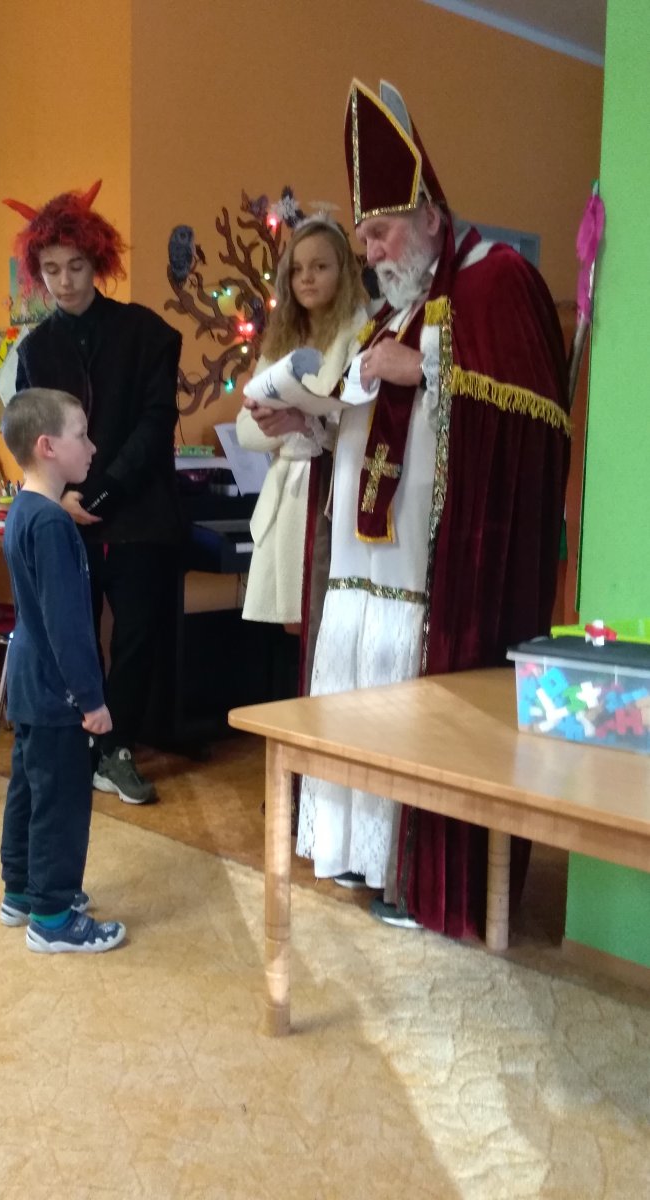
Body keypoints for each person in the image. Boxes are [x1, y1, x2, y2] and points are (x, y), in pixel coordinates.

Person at [297, 79, 570, 937]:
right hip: (362, 572)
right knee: (355, 695)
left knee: (409, 705)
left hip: (430, 584)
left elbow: (530, 422)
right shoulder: (393, 309)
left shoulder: (497, 282)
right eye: (364, 234)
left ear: (425, 214)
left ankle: (416, 877)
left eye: (379, 230)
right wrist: (309, 420)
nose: (369, 249)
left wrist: (426, 369)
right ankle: (356, 853)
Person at [6, 181, 182, 805]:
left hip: (138, 516)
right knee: (72, 632)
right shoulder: (34, 349)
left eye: (76, 266)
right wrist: (59, 499)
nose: (64, 281)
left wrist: (100, 495)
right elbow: (29, 435)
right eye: (51, 269)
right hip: (63, 516)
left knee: (135, 635)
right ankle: (82, 738)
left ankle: (117, 747)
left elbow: (154, 426)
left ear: (97, 262)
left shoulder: (147, 334)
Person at [0, 387, 126, 953]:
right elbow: (69, 624)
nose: (93, 448)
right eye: (82, 435)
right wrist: (92, 699)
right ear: (47, 446)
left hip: (28, 679)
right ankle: (51, 919)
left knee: (30, 788)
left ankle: (22, 890)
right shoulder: (51, 523)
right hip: (56, 688)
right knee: (62, 801)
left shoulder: (24, 510)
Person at [237, 216, 369, 631]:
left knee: (324, 621)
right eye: (297, 269)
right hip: (287, 486)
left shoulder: (360, 333)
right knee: (292, 625)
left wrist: (306, 422)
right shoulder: (282, 338)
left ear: (343, 271)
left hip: (332, 488)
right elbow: (245, 429)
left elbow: (359, 420)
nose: (306, 278)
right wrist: (275, 424)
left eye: (320, 266)